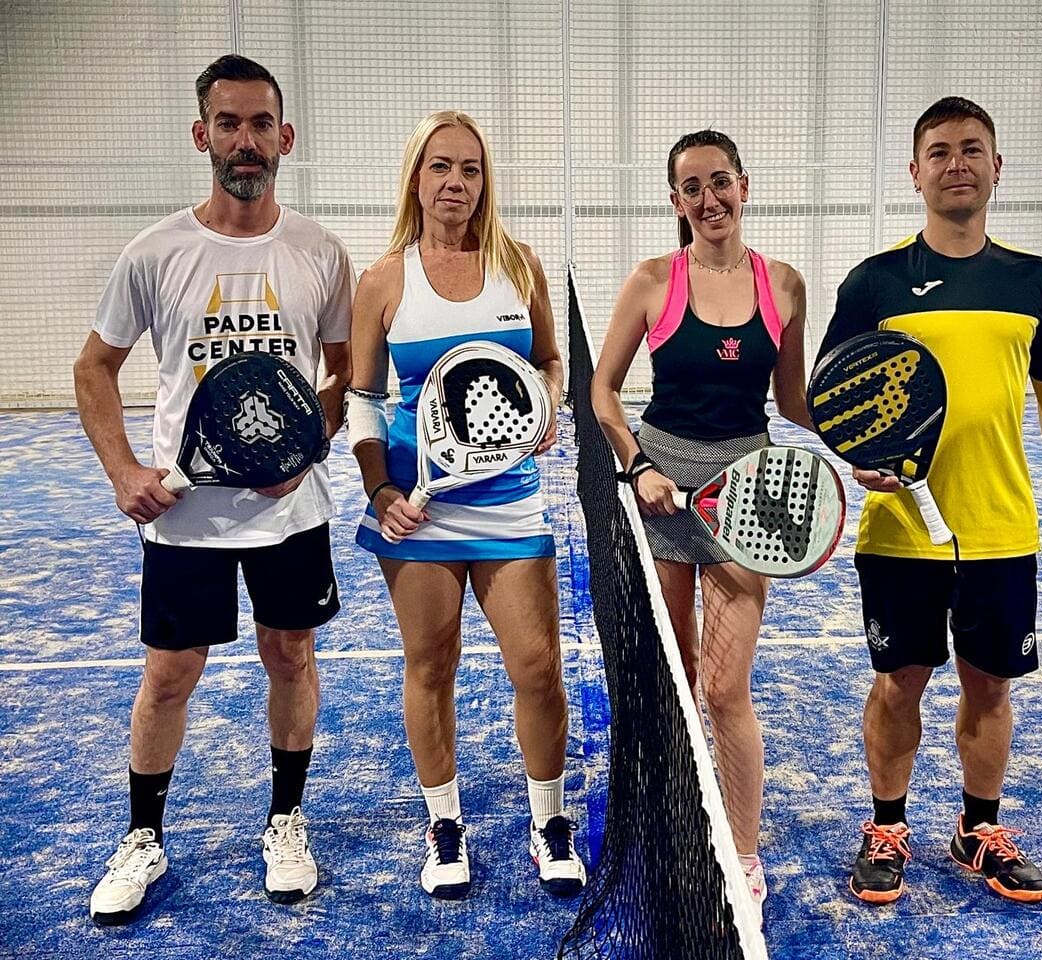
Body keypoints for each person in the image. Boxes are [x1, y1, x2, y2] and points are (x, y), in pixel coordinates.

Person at [73, 54, 353, 924]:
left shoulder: (320, 252)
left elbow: (344, 375)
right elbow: (94, 368)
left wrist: (307, 448)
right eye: (228, 124)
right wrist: (123, 471)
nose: (245, 140)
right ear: (202, 136)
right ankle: (145, 837)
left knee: (291, 657)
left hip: (290, 515)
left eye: (260, 124)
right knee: (169, 676)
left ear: (286, 138)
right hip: (183, 517)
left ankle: (285, 819)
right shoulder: (155, 252)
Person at [817, 96, 1042, 906]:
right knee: (900, 682)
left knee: (991, 686)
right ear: (915, 173)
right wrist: (862, 462)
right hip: (903, 531)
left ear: (997, 167)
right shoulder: (875, 282)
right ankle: (888, 826)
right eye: (938, 152)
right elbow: (838, 399)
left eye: (972, 149)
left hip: (1000, 527)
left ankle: (978, 829)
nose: (956, 163)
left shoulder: (1030, 280)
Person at [345, 110, 585, 900]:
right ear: (416, 177)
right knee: (430, 665)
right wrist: (381, 491)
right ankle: (444, 824)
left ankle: (549, 821)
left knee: (538, 667)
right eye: (441, 167)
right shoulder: (384, 280)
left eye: (471, 169)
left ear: (486, 181)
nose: (457, 182)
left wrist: (547, 405)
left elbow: (550, 362)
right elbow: (363, 400)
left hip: (510, 504)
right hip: (420, 510)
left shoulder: (520, 265)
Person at [591, 129, 810, 923]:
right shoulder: (653, 280)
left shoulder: (784, 284)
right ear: (675, 200)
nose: (709, 198)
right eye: (692, 187)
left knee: (725, 685)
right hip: (659, 488)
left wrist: (860, 443)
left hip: (748, 492)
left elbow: (792, 403)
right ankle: (672, 803)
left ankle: (743, 853)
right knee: (676, 672)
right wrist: (636, 466)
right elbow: (603, 393)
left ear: (744, 187)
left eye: (721, 182)